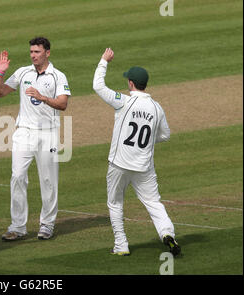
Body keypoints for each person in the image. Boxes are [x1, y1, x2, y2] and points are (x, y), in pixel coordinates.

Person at [93, 48, 181, 257]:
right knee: (153, 202)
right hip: (143, 166)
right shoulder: (156, 107)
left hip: (119, 164)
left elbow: (97, 85)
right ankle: (167, 233)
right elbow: (165, 135)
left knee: (115, 203)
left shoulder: (123, 100)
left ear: (131, 83)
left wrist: (104, 61)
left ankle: (121, 245)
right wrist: (148, 141)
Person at [0, 37, 71, 241]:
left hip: (47, 133)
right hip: (24, 131)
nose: (33, 55)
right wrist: (0, 73)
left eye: (37, 52)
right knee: (18, 176)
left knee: (48, 180)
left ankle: (47, 224)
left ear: (47, 53)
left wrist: (43, 97)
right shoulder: (23, 72)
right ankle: (17, 227)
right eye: (31, 52)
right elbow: (0, 92)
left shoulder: (58, 76)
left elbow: (63, 104)